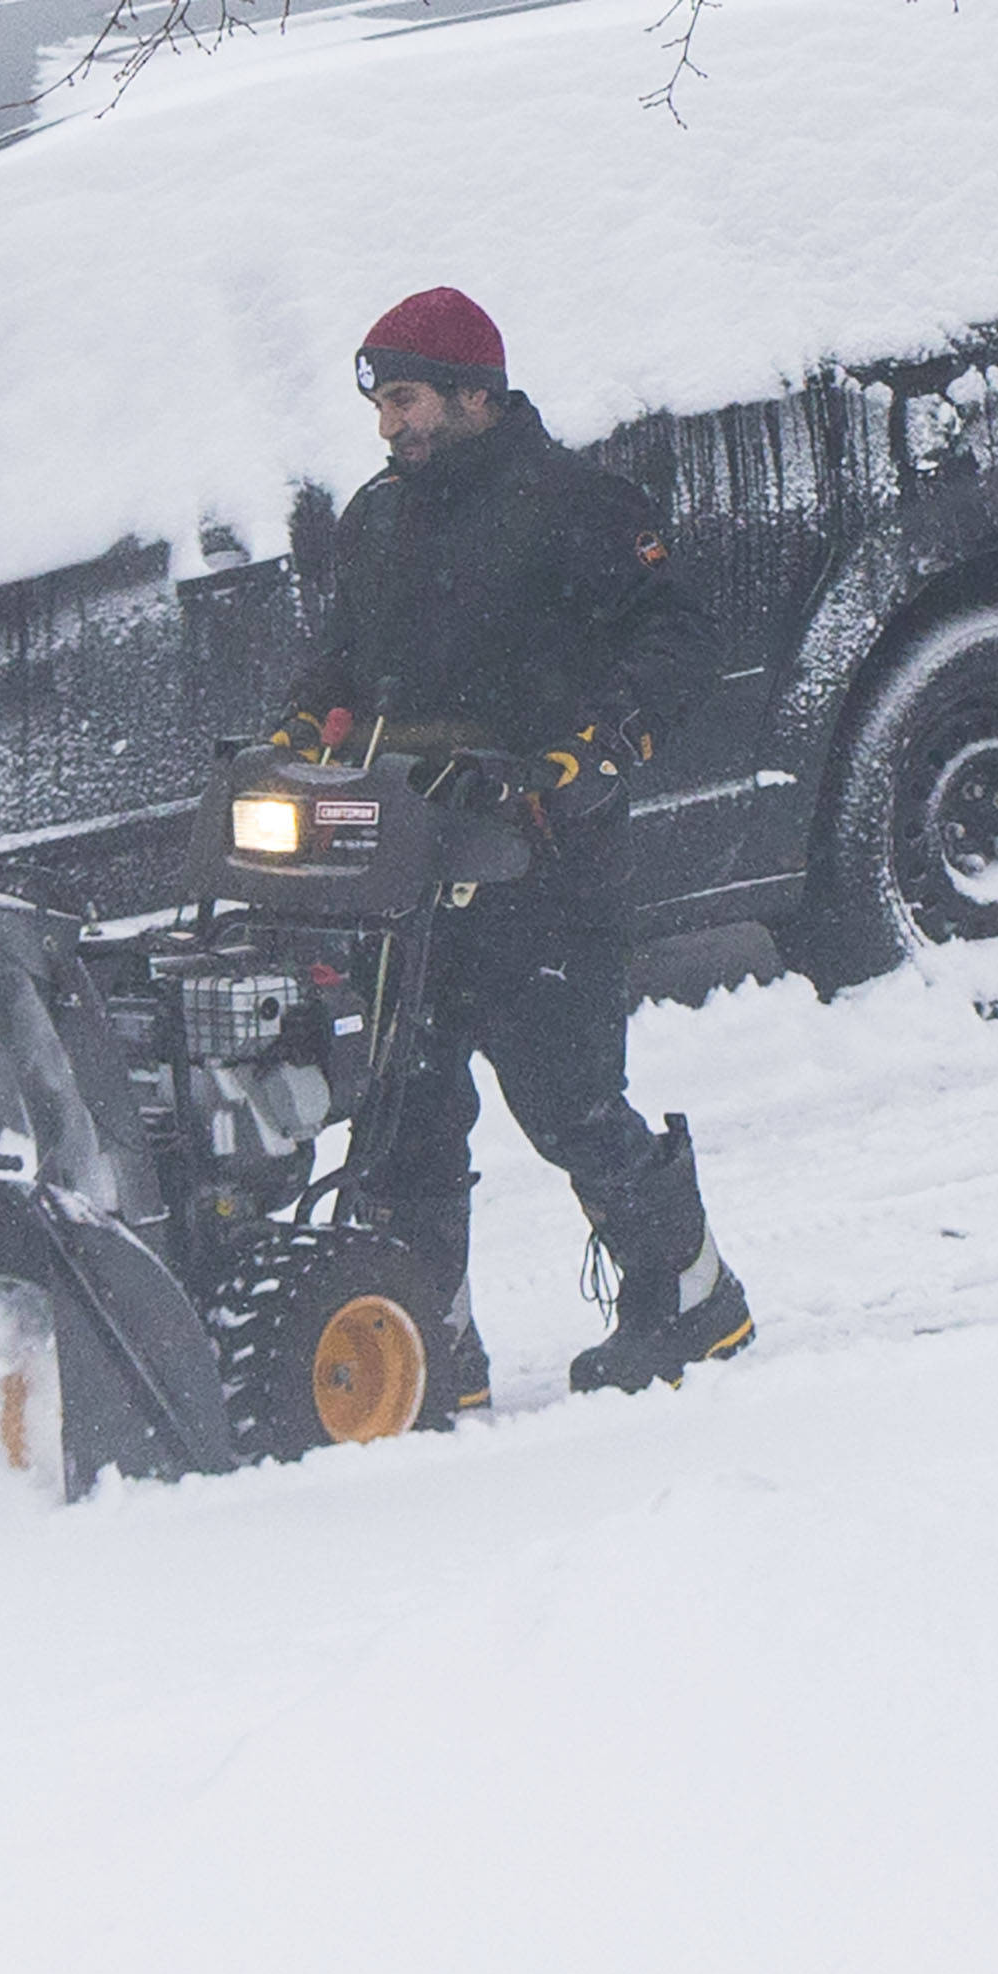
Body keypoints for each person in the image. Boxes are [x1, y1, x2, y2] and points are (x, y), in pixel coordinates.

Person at [276, 286, 757, 1405]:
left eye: (405, 401)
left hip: (543, 853)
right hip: (403, 854)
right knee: (402, 1108)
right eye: (381, 406)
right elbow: (344, 661)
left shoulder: (577, 506)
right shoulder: (377, 520)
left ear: (472, 394)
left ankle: (688, 1295)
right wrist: (303, 725)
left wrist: (598, 746)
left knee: (567, 1100)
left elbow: (679, 636)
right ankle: (434, 1348)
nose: (389, 426)